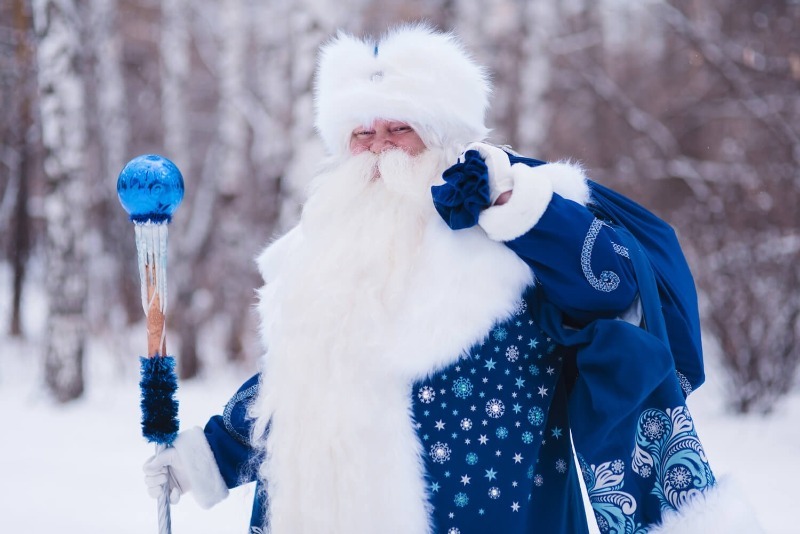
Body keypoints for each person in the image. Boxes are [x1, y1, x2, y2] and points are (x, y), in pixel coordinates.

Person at [143, 24, 756, 533]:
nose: (379, 149)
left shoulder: (514, 225)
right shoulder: (319, 250)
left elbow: (613, 289)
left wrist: (521, 210)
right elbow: (297, 381)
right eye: (363, 133)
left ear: (440, 134)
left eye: (398, 129)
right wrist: (212, 457)